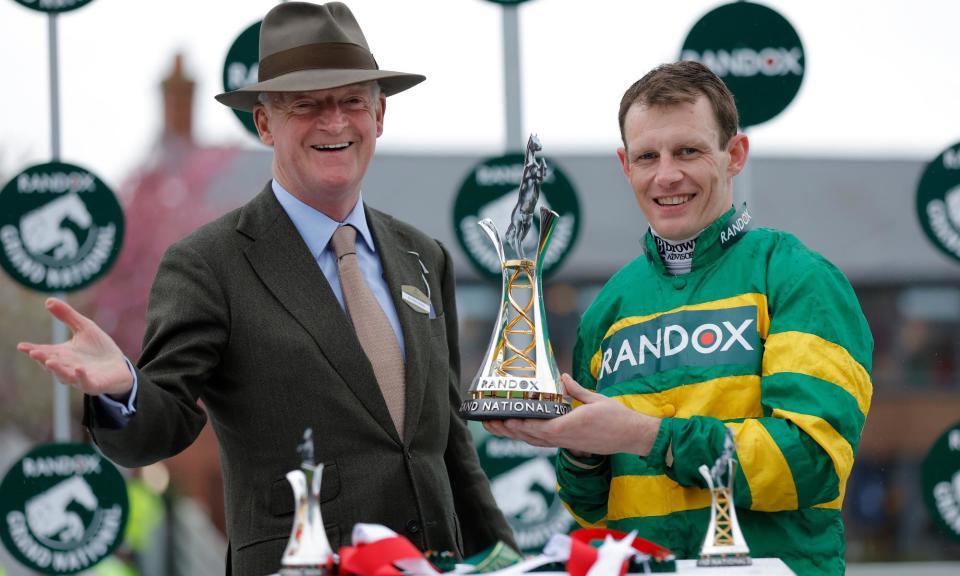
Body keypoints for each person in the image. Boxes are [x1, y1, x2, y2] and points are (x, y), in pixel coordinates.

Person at [17, 3, 515, 575]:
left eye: (353, 101)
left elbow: (447, 442)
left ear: (379, 116)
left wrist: (505, 560)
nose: (335, 122)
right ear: (263, 124)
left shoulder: (422, 257)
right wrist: (124, 388)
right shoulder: (209, 263)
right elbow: (160, 425)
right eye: (307, 104)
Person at [484, 61, 873, 575]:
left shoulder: (797, 277)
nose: (666, 175)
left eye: (687, 151)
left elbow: (813, 463)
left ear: (734, 155)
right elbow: (594, 509)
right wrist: (577, 447)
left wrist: (645, 435)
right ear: (626, 166)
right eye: (648, 156)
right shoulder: (609, 307)